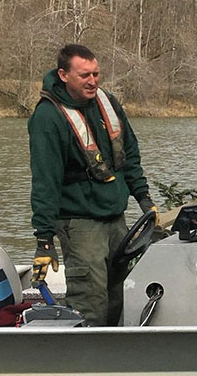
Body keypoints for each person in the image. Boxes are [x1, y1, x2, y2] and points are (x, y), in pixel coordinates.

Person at [29, 44, 158, 326]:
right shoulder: (48, 117)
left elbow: (129, 154)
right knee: (91, 302)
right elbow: (44, 182)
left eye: (96, 74)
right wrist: (44, 240)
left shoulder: (107, 103)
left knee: (122, 296)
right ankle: (82, 352)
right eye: (84, 75)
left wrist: (144, 198)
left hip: (115, 220)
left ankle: (116, 351)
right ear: (63, 75)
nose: (92, 81)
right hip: (80, 224)